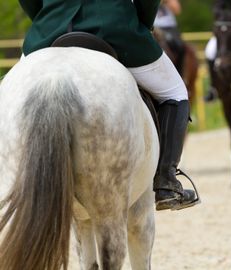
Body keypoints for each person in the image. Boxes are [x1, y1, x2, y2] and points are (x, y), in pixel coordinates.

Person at [18, 0, 198, 211]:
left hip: (49, 29)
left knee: (13, 91)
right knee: (175, 92)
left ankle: (13, 178)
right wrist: (143, 23)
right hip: (116, 28)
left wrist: (46, 17)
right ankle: (166, 183)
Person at [154, 0, 185, 75]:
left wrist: (166, 1)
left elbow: (177, 10)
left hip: (169, 28)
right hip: (154, 27)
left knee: (180, 46)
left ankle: (180, 74)